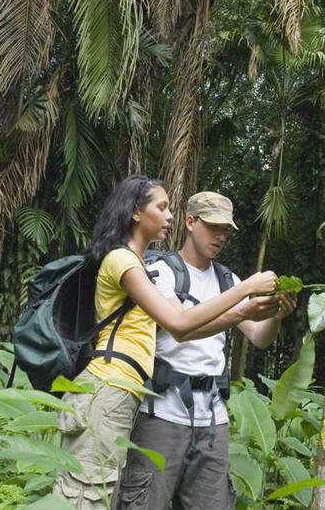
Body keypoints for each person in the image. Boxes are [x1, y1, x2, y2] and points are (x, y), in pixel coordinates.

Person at [53, 176, 279, 508]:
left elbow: (187, 325)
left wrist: (272, 311)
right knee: (87, 496)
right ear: (135, 213)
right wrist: (245, 294)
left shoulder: (141, 265)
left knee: (101, 493)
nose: (169, 215)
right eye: (162, 207)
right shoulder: (130, 263)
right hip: (113, 391)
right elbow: (179, 324)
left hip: (130, 396)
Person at [117, 191, 297, 510]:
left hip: (212, 419)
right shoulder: (161, 269)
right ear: (190, 222)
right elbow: (180, 327)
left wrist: (277, 315)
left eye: (225, 229)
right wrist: (246, 296)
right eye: (213, 226)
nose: (220, 236)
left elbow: (258, 337)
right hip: (161, 414)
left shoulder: (227, 279)